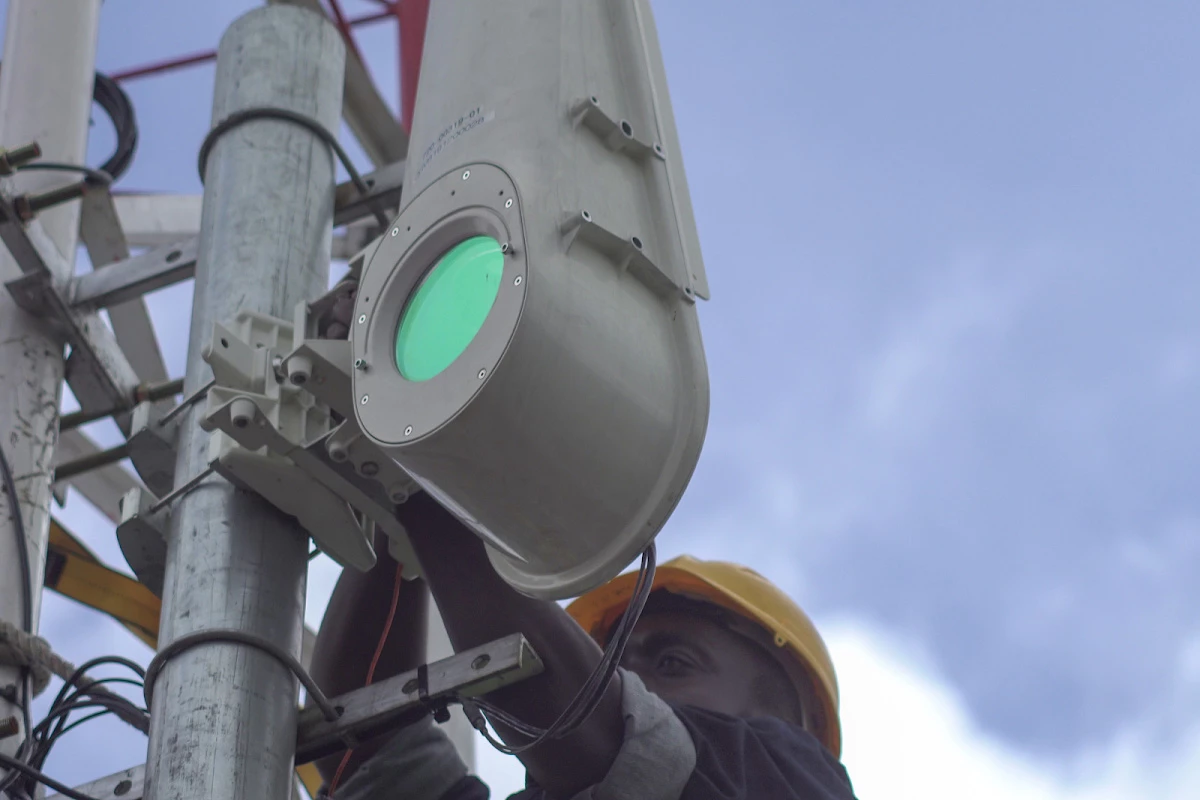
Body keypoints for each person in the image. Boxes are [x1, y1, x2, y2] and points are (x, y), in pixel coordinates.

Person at [310, 492, 857, 799]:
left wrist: (421, 461)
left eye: (673, 662)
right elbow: (364, 755)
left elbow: (598, 729)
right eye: (615, 658)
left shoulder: (796, 781)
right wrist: (387, 486)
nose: (630, 678)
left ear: (783, 722)